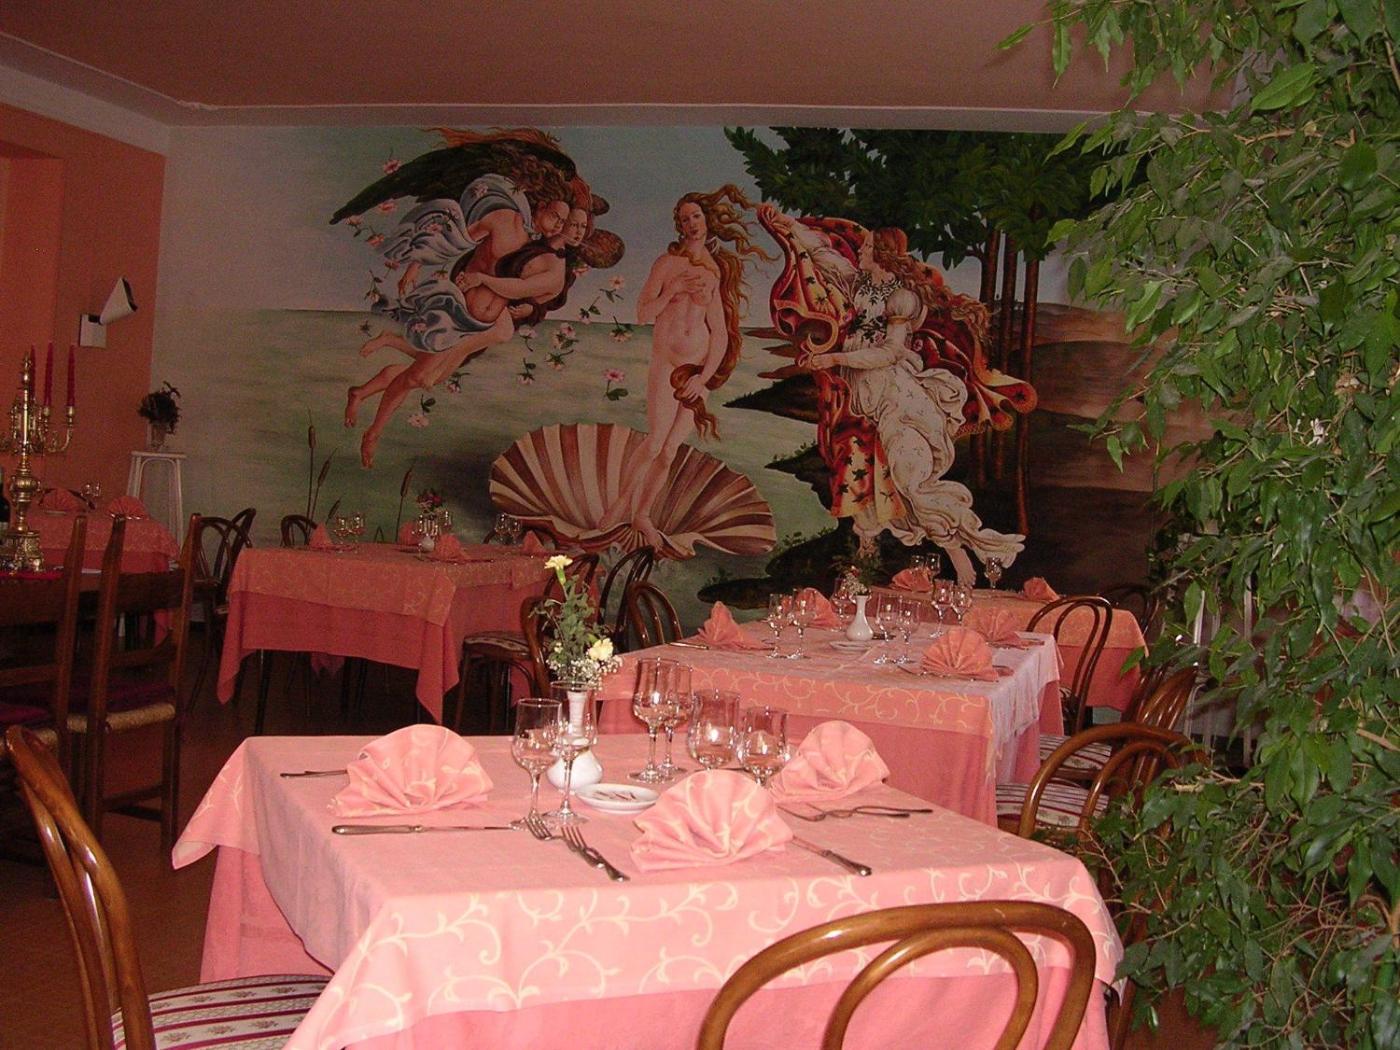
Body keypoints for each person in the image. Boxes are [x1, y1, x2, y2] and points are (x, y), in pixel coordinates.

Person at [762, 208, 1023, 585]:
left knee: (911, 484)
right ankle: (866, 564)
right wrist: (788, 225)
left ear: (882, 255)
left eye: (867, 247)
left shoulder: (901, 298)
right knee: (863, 473)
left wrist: (834, 358)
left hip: (896, 399)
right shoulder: (859, 283)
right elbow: (821, 253)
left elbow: (889, 352)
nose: (860, 251)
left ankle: (964, 560)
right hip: (863, 398)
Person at [344, 176, 571, 466]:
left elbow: (533, 291)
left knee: (429, 376)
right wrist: (414, 268)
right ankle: (373, 433)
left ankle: (361, 390)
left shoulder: (536, 250)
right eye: (554, 216)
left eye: (562, 222)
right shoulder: (503, 219)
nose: (557, 225)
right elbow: (450, 241)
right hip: (457, 313)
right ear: (540, 206)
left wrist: (529, 308)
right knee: (418, 377)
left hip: (480, 326)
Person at [596, 185, 770, 546]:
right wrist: (673, 289)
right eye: (684, 219)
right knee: (655, 442)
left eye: (696, 216)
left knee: (670, 450)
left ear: (706, 220)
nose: (691, 224)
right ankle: (620, 506)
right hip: (667, 364)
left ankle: (642, 515)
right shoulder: (667, 264)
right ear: (679, 226)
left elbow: (719, 333)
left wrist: (704, 379)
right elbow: (643, 313)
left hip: (695, 370)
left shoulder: (713, 271)